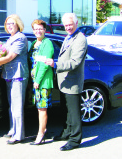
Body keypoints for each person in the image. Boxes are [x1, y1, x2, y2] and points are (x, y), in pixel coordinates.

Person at [0, 14, 29, 145]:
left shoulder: (20, 38)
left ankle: (19, 135)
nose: (10, 26)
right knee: (12, 106)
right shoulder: (10, 38)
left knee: (17, 106)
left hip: (18, 75)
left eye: (12, 23)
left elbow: (9, 58)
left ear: (18, 24)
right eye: (8, 24)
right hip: (9, 75)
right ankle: (13, 129)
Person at [45, 13, 87, 151]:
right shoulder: (69, 37)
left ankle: (75, 140)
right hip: (65, 81)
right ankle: (67, 133)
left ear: (76, 23)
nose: (68, 27)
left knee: (74, 113)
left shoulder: (80, 39)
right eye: (66, 25)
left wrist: (55, 64)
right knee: (67, 111)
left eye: (70, 24)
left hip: (72, 82)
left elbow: (75, 62)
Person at [28, 19, 54, 145]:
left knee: (42, 109)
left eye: (40, 29)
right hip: (35, 81)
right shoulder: (34, 43)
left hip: (43, 82)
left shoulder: (47, 43)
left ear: (45, 30)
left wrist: (37, 80)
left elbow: (45, 64)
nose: (38, 31)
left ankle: (41, 134)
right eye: (35, 29)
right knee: (39, 107)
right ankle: (43, 129)